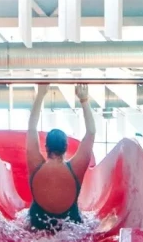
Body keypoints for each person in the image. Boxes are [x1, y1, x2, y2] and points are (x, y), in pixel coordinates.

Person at [25, 81, 95, 232]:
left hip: (37, 225)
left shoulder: (35, 164)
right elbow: (91, 132)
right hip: (70, 228)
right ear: (66, 148)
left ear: (46, 147)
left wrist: (41, 94)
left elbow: (31, 128)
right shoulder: (76, 169)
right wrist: (84, 100)